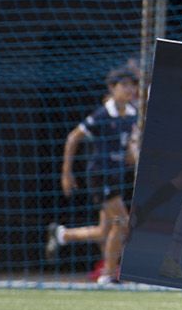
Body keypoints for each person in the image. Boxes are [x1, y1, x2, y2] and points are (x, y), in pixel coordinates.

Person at [46, 66, 141, 284]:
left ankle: (61, 235)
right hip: (100, 175)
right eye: (124, 85)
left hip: (116, 176)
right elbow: (73, 138)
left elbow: (128, 153)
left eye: (132, 85)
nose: (129, 89)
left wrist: (133, 155)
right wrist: (66, 173)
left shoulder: (134, 114)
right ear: (112, 88)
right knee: (122, 222)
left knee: (104, 230)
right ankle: (108, 274)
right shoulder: (102, 114)